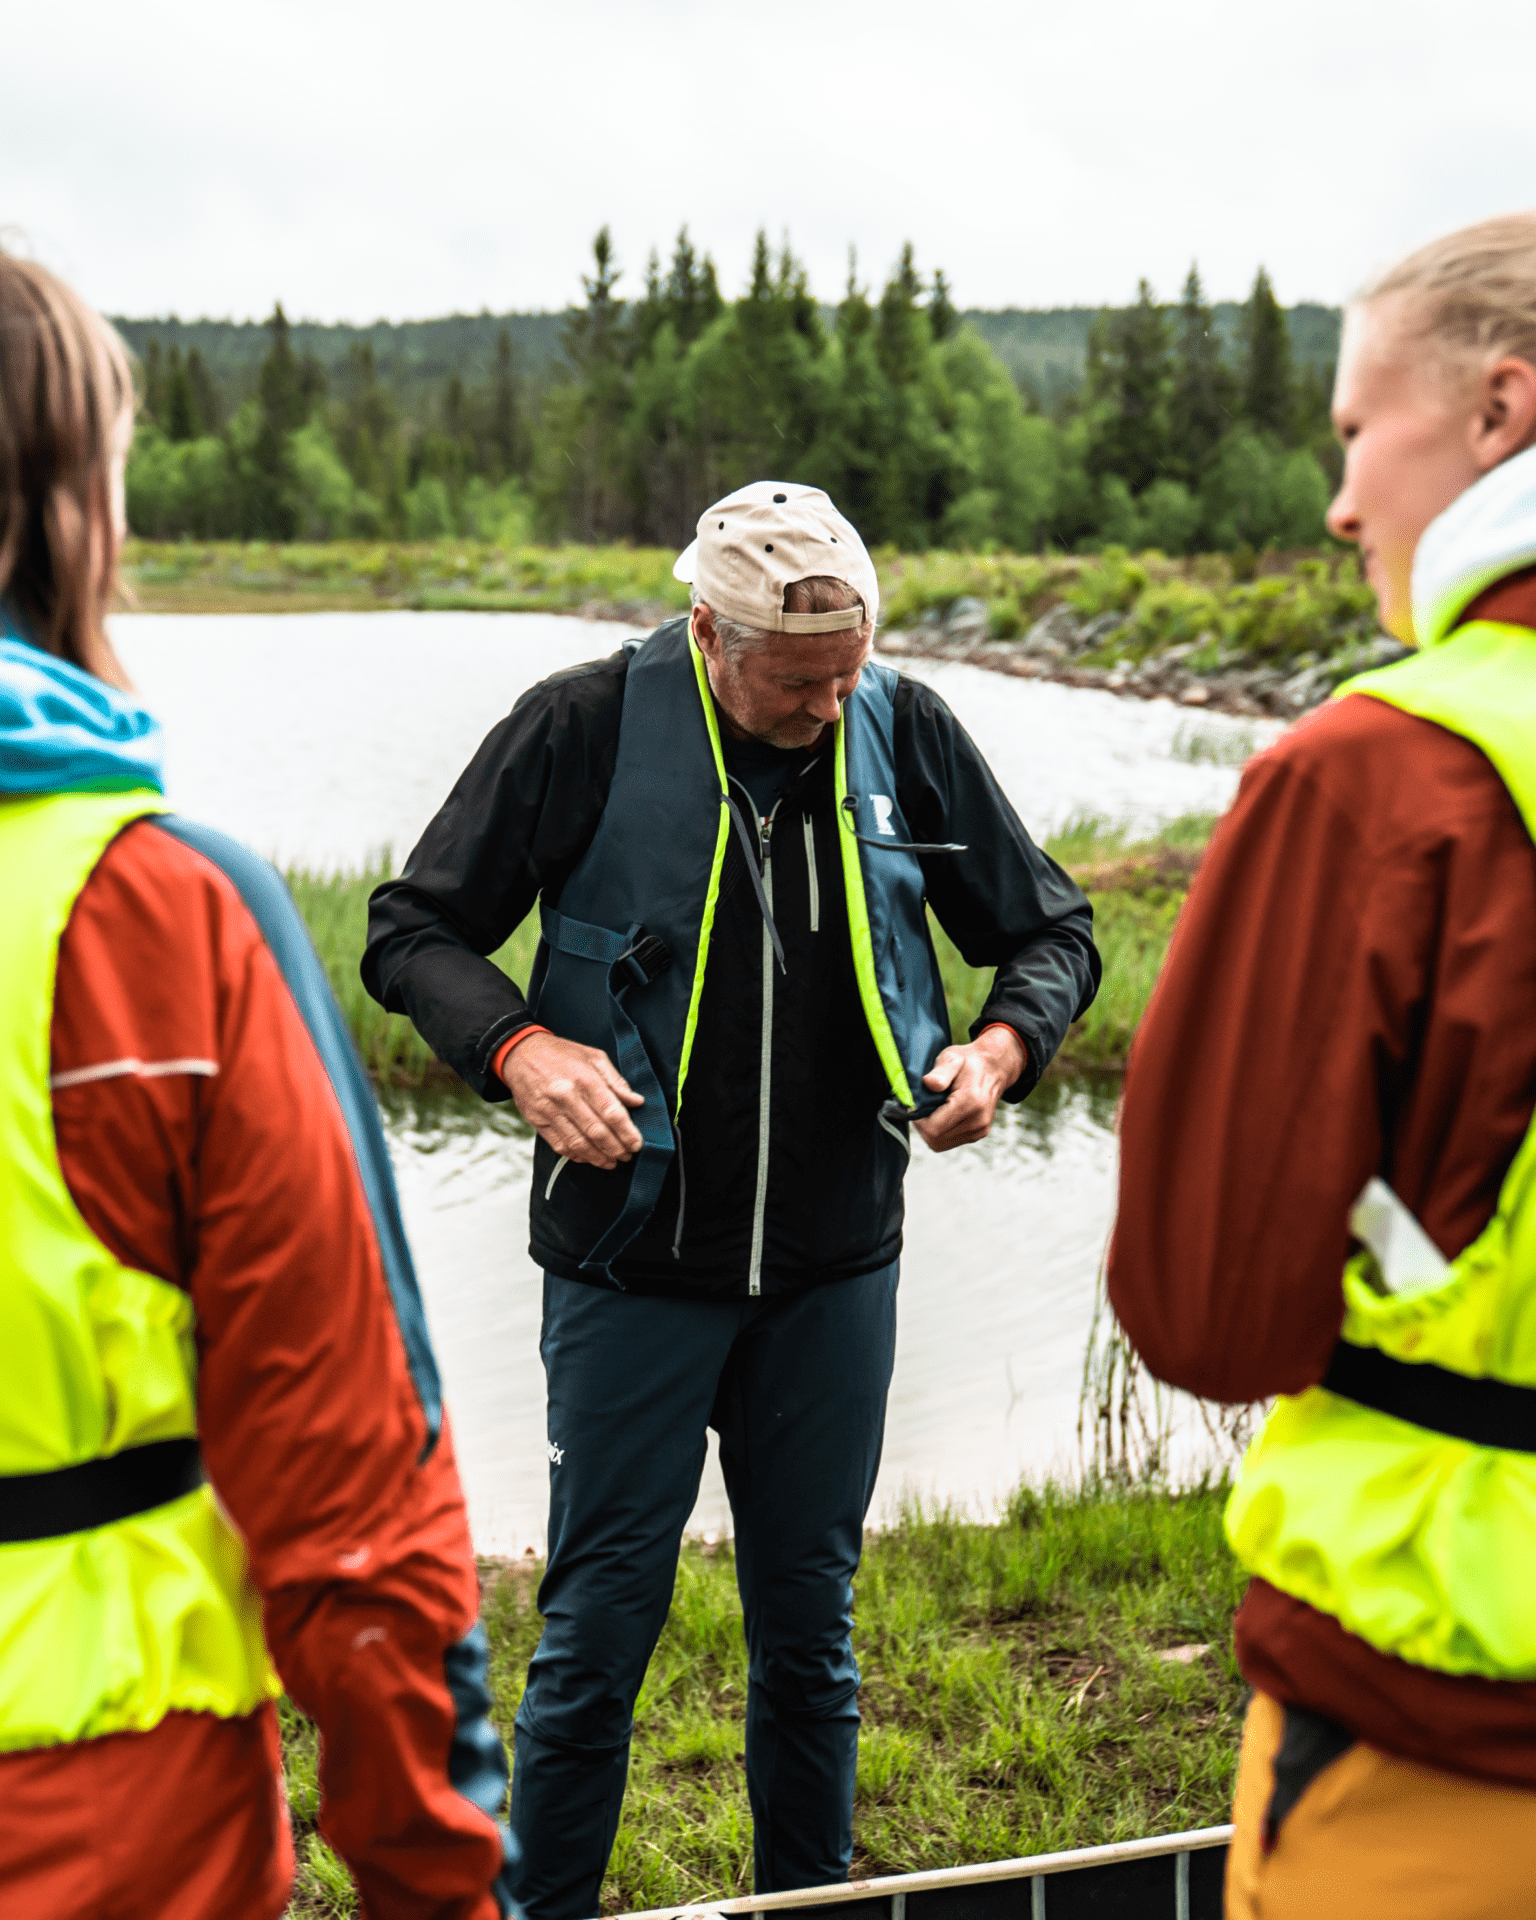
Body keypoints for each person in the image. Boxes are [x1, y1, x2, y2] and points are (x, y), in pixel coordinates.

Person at [364, 480, 1100, 1916]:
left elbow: (1050, 928)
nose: (830, 711)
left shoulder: (902, 726)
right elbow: (415, 930)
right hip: (627, 1273)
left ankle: (804, 1904)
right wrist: (520, 1049)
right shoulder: (578, 726)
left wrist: (1003, 1047)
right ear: (708, 630)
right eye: (798, 684)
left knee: (811, 1641)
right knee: (592, 1644)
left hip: (834, 1274)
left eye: (849, 677)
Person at [0, 254, 518, 1918]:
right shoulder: (161, 921)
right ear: (74, 514)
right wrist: (447, 1886)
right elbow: (357, 1500)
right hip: (98, 1822)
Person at [1107, 211, 1536, 1918]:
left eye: (1361, 431)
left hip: (1442, 1704)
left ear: (1503, 411)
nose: (1344, 500)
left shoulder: (1375, 783)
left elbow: (1208, 1315)